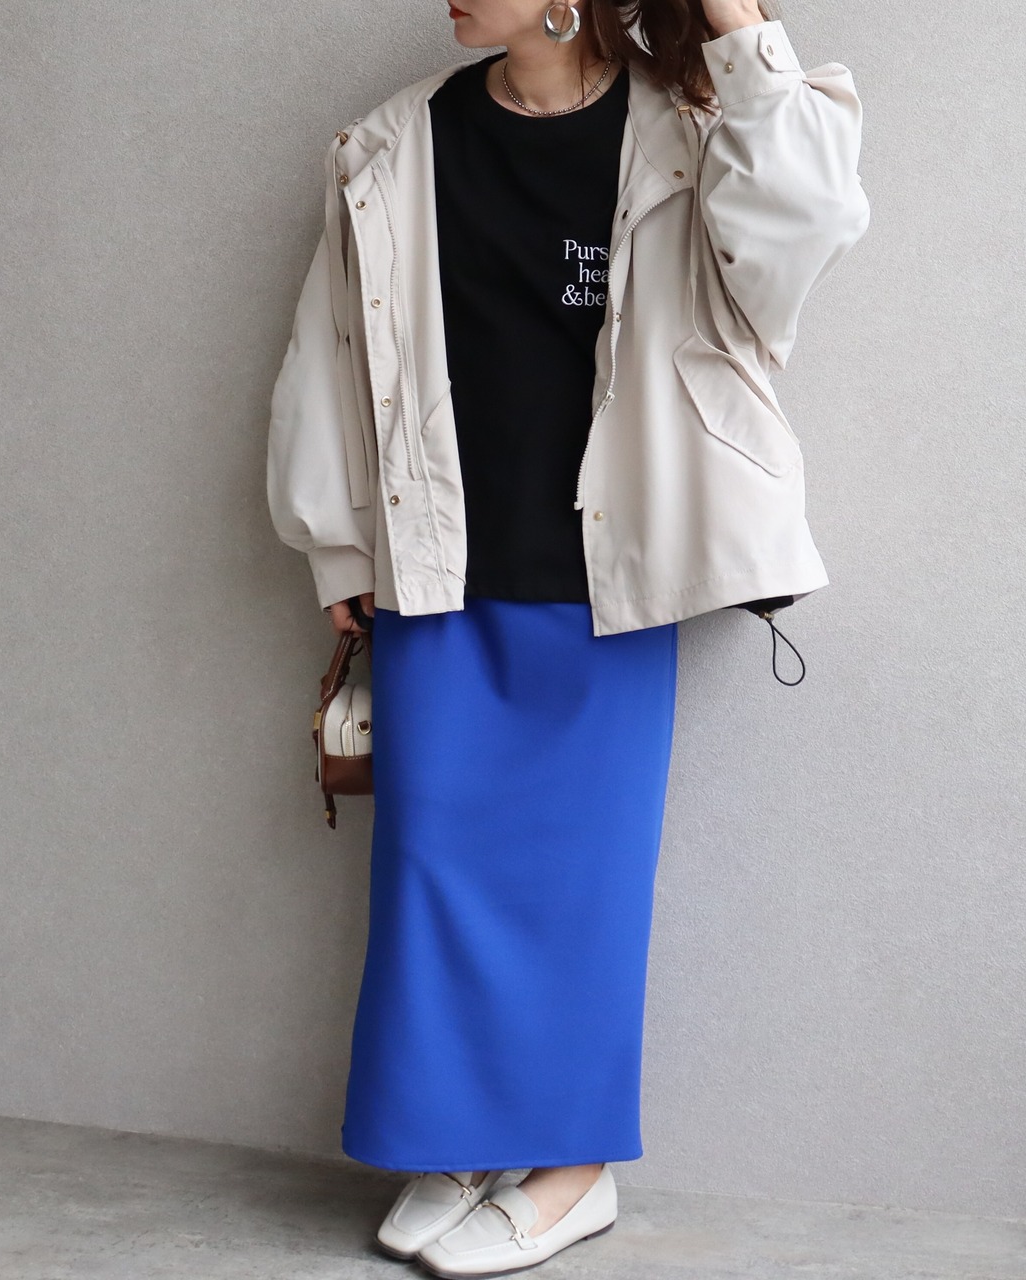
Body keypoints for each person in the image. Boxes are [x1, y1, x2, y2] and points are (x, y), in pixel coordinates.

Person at [266, 0, 869, 1273]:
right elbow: (331, 349)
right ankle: (460, 1140)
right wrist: (336, 542)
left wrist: (738, 25)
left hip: (607, 572)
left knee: (579, 888)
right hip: (437, 556)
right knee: (432, 874)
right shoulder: (396, 143)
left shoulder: (693, 129)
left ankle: (573, 1166)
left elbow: (805, 232)